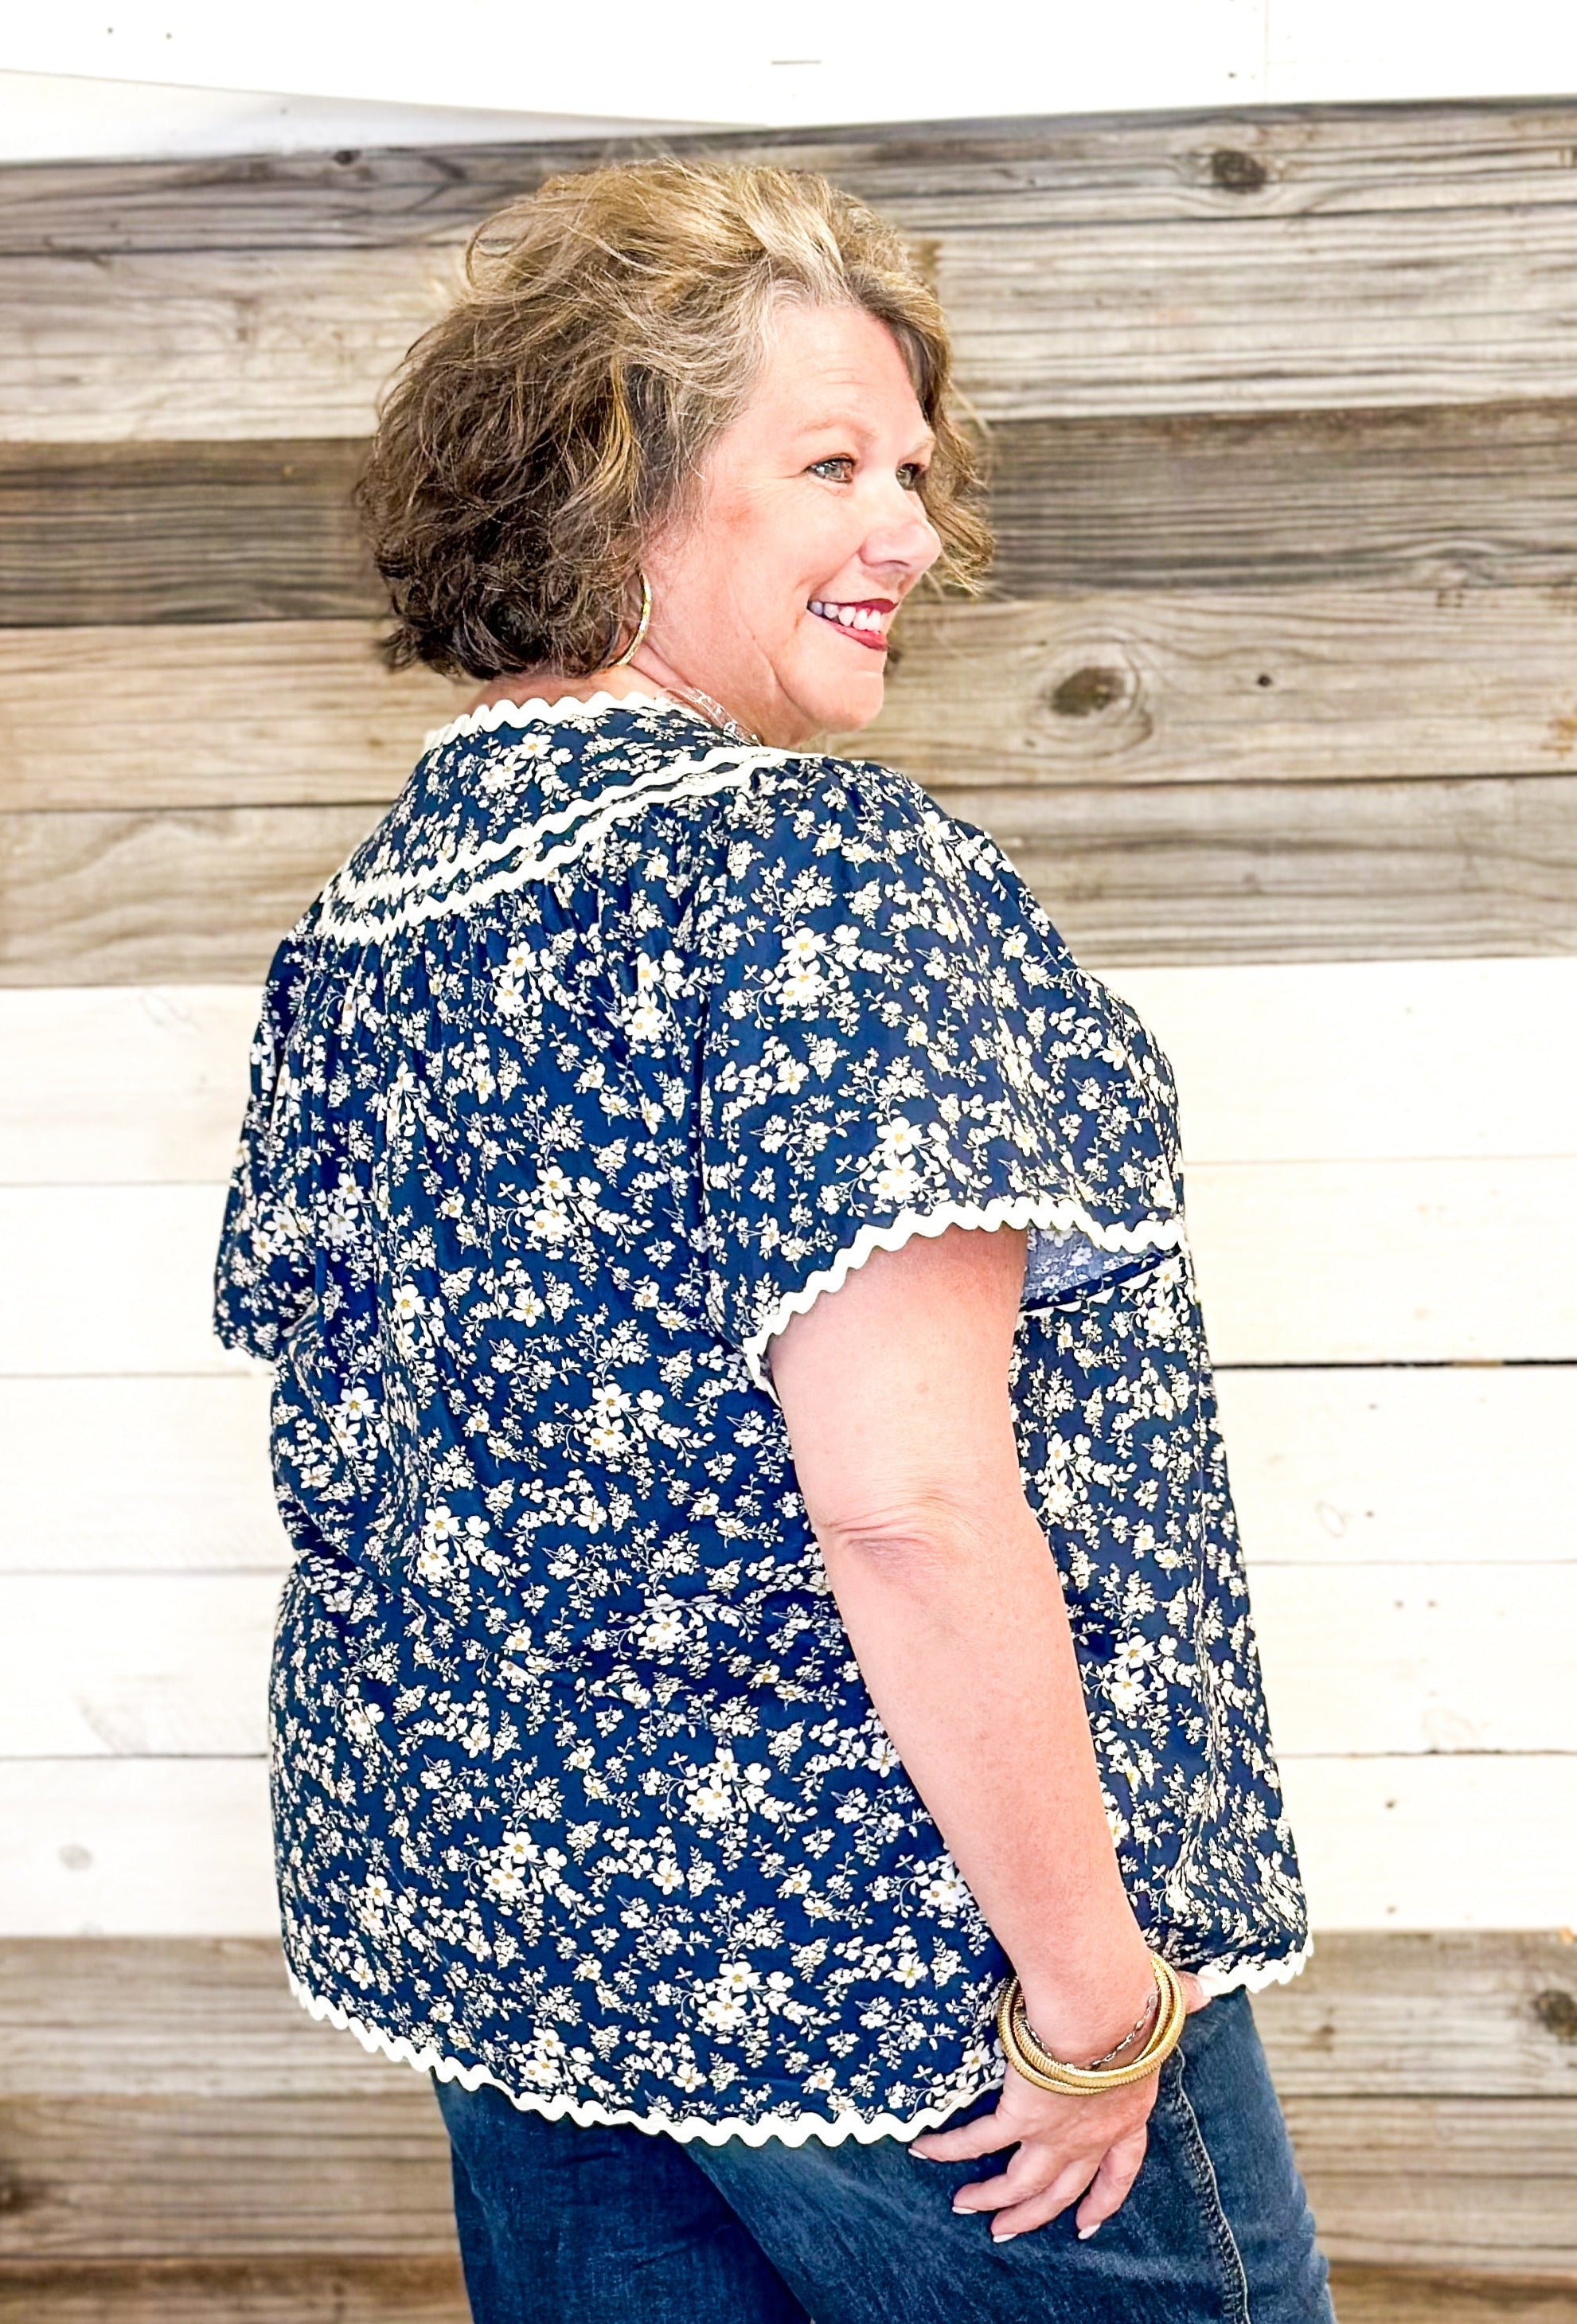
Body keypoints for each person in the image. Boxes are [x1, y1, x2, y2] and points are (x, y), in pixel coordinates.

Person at [214, 160, 1331, 2322]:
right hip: (894, 1997)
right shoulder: (815, 871)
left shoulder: (368, 927)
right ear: (606, 495)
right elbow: (908, 1500)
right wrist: (1095, 2003)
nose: (908, 531)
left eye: (913, 469)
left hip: (512, 1951)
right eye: (830, 463)